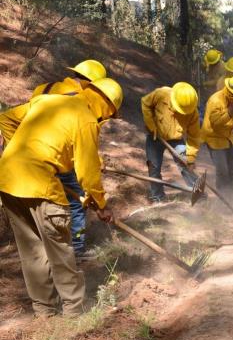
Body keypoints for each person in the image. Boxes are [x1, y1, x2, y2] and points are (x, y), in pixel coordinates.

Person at [0, 78, 122, 317]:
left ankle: (45, 313)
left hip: (7, 179)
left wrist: (24, 156)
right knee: (60, 251)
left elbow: (5, 118)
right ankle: (75, 314)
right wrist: (102, 204)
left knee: (32, 253)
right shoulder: (86, 118)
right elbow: (88, 175)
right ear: (106, 107)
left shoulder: (46, 100)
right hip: (40, 185)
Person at [2, 60, 109, 257]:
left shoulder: (45, 88)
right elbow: (81, 143)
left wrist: (18, 146)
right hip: (58, 162)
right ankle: (76, 248)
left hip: (29, 164)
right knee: (77, 204)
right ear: (92, 84)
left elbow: (10, 119)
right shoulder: (81, 101)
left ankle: (49, 248)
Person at [141, 82, 203, 202]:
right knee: (153, 167)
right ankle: (158, 198)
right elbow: (145, 103)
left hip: (176, 139)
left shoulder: (192, 113)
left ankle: (197, 193)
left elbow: (194, 137)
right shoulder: (161, 94)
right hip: (155, 137)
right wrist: (151, 125)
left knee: (186, 164)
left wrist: (190, 159)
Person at [201, 76, 233, 193]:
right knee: (222, 169)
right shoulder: (215, 101)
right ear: (231, 92)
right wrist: (228, 113)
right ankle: (223, 194)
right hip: (215, 139)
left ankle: (230, 190)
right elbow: (215, 124)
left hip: (228, 136)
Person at [200, 49, 226, 118]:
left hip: (217, 92)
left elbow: (217, 81)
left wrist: (205, 83)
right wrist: (203, 67)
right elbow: (207, 68)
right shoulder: (210, 60)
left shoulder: (222, 67)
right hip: (209, 92)